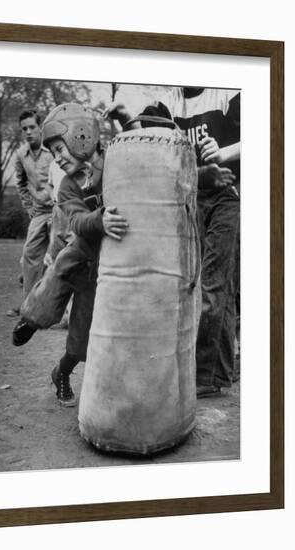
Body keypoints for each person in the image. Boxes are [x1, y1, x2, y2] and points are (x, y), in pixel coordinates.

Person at [105, 87, 240, 398]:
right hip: (191, 197)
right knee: (195, 284)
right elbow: (152, 147)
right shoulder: (168, 102)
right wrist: (127, 118)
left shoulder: (227, 92)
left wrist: (224, 152)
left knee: (214, 284)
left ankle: (203, 376)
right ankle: (217, 371)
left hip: (227, 195)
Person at [13, 103, 129, 406]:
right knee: (48, 295)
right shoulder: (66, 186)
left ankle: (60, 373)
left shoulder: (115, 164)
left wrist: (127, 120)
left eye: (60, 148)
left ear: (82, 136)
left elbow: (141, 158)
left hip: (100, 270)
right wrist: (99, 220)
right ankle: (30, 319)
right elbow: (77, 221)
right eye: (52, 152)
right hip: (77, 254)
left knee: (80, 343)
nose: (58, 158)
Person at [6, 109, 54, 317]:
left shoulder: (53, 149)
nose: (28, 132)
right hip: (39, 212)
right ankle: (29, 306)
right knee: (29, 255)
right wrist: (29, 207)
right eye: (24, 128)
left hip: (59, 210)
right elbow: (21, 183)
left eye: (32, 127)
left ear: (40, 127)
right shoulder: (20, 155)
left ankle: (61, 309)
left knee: (59, 256)